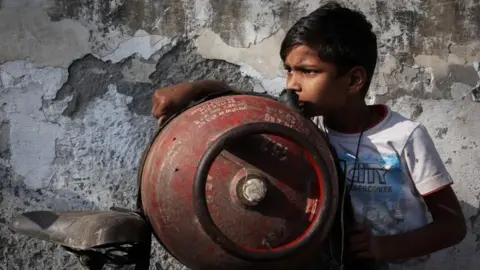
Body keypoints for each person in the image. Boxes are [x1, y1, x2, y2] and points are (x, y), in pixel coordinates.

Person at [150, 1, 467, 269]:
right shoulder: (298, 128)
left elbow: (452, 226)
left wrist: (385, 248)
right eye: (289, 70)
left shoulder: (404, 137)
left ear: (354, 79)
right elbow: (243, 102)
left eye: (308, 71)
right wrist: (192, 90)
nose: (292, 84)